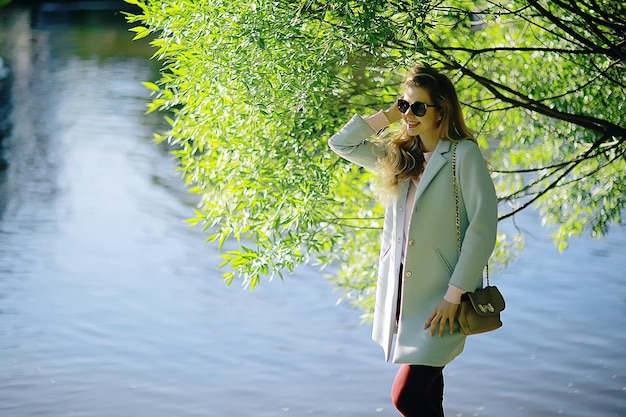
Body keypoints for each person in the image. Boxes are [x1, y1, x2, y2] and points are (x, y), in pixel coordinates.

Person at [328, 63, 498, 416]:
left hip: (443, 296)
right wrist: (389, 114)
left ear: (442, 112)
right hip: (402, 294)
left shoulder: (463, 155)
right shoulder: (399, 156)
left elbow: (482, 228)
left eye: (419, 107)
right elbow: (341, 144)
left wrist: (454, 296)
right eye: (405, 105)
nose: (409, 115)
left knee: (406, 397)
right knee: (427, 396)